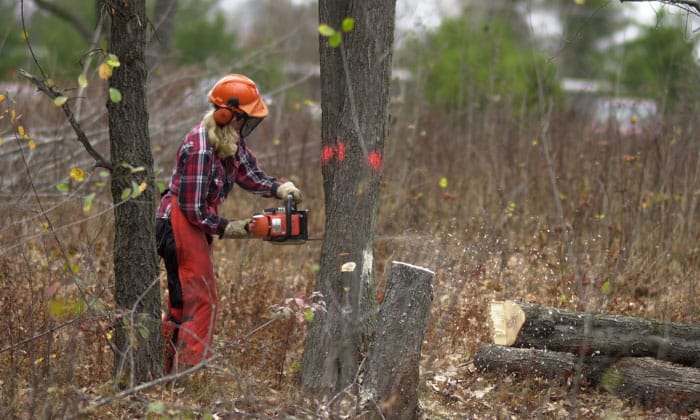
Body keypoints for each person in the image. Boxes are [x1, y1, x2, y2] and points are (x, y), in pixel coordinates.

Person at [156, 74, 302, 373]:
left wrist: (279, 188)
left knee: (183, 303)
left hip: (192, 225)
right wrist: (231, 227)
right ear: (229, 114)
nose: (248, 126)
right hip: (179, 223)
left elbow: (249, 173)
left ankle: (159, 368)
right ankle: (187, 376)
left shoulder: (230, 141)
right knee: (200, 301)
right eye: (245, 119)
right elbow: (194, 208)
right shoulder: (201, 147)